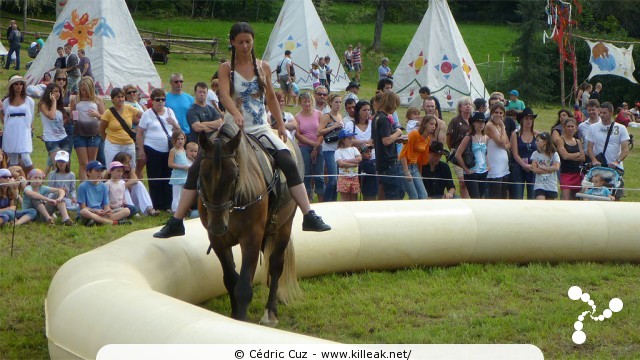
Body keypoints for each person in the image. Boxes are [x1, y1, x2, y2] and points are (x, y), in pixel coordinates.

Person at [154, 22, 330, 238]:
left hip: (260, 127)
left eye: (248, 41)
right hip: (231, 128)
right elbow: (225, 95)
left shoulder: (264, 66)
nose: (245, 46)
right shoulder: (226, 68)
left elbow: (272, 97)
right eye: (240, 42)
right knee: (197, 166)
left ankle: (308, 214)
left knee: (288, 161)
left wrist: (281, 124)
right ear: (232, 43)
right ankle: (177, 220)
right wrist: (234, 113)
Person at [136, 88, 180, 211]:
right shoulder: (147, 114)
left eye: (163, 100)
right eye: (158, 100)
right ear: (152, 101)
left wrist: (174, 124)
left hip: (169, 149)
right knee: (155, 176)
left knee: (168, 176)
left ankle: (168, 204)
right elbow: (139, 133)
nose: (160, 102)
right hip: (152, 148)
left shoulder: (170, 112)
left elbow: (178, 131)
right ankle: (156, 204)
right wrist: (141, 151)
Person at [586, 102, 630, 199]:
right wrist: (593, 160)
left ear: (611, 113)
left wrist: (616, 161)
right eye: (600, 112)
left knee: (615, 196)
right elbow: (589, 147)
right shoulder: (593, 128)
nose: (602, 115)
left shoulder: (621, 128)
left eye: (604, 113)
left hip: (615, 169)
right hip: (598, 167)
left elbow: (625, 149)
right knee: (594, 195)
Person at [372, 91, 405, 200]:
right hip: (389, 162)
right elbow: (386, 141)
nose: (395, 109)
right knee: (395, 194)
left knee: (383, 193)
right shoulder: (384, 119)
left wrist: (396, 139)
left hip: (381, 161)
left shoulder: (376, 117)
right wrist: (398, 133)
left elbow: (378, 139)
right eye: (395, 105)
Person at [77, 160, 131, 226]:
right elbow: (83, 207)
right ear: (88, 172)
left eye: (101, 171)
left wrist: (108, 211)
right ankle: (113, 222)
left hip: (100, 213)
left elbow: (106, 205)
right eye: (97, 171)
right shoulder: (82, 186)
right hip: (89, 212)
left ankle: (98, 221)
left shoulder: (103, 186)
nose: (100, 173)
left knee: (126, 211)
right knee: (84, 212)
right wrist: (95, 211)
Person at [71, 77, 105, 180]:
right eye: (82, 90)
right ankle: (83, 187)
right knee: (83, 163)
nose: (84, 93)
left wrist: (96, 114)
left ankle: (93, 185)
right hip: (79, 134)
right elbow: (73, 116)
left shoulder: (97, 99)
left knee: (92, 162)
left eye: (86, 90)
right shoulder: (75, 99)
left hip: (94, 134)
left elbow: (105, 117)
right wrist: (75, 116)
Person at [1, 75, 36, 174]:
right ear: (12, 86)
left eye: (21, 84)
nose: (19, 86)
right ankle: (14, 182)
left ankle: (35, 177)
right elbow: (5, 117)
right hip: (11, 130)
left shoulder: (29, 101)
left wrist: (30, 128)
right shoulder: (7, 101)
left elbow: (31, 116)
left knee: (25, 157)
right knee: (13, 159)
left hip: (23, 129)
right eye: (16, 84)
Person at [100, 88, 143, 166]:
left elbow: (144, 116)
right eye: (118, 97)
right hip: (113, 145)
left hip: (128, 143)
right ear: (112, 99)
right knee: (112, 168)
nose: (120, 99)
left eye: (122, 97)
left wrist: (139, 129)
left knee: (130, 168)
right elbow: (101, 129)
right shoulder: (108, 113)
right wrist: (108, 140)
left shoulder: (129, 108)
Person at [295, 92, 325, 201]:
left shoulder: (319, 114)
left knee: (319, 174)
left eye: (309, 101)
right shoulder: (297, 117)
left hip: (318, 146)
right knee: (306, 174)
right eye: (305, 102)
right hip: (304, 147)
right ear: (300, 103)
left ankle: (321, 198)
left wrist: (316, 146)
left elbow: (322, 131)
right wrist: (312, 144)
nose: (307, 104)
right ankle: (307, 200)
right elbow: (297, 134)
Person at [112, 151, 158, 216]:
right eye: (127, 162)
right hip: (117, 202)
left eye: (129, 162)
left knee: (138, 183)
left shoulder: (130, 170)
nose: (129, 164)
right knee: (122, 185)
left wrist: (122, 185)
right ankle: (134, 212)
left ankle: (149, 209)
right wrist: (122, 186)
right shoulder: (112, 172)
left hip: (129, 198)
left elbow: (135, 180)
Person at [317, 93, 344, 202]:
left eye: (340, 102)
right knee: (332, 179)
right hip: (329, 149)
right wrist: (332, 127)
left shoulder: (340, 116)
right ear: (330, 103)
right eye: (336, 102)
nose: (338, 104)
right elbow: (318, 131)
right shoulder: (327, 116)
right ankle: (327, 201)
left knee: (336, 180)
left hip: (338, 149)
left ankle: (333, 201)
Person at [399, 114, 432, 200]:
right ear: (425, 124)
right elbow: (403, 154)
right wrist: (406, 172)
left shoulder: (427, 138)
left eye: (435, 125)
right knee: (414, 196)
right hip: (404, 166)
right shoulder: (414, 134)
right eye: (431, 124)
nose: (434, 127)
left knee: (423, 195)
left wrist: (419, 173)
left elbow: (421, 159)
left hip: (414, 167)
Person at [456, 112, 489, 199]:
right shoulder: (468, 137)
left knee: (481, 197)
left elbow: (486, 153)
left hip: (483, 172)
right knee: (475, 197)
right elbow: (458, 154)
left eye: (483, 122)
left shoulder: (485, 137)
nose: (481, 124)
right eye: (478, 122)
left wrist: (488, 165)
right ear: (474, 123)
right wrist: (466, 169)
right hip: (472, 172)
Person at [39, 83, 71, 172]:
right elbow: (51, 116)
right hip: (51, 140)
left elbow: (64, 120)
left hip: (63, 138)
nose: (58, 94)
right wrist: (54, 102)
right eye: (56, 91)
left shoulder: (59, 106)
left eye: (59, 92)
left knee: (65, 167)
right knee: (57, 166)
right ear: (50, 93)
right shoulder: (43, 104)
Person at [446, 97, 473, 198]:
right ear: (460, 107)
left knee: (470, 180)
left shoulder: (474, 120)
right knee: (462, 181)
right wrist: (452, 150)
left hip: (471, 154)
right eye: (465, 104)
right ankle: (464, 201)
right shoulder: (455, 121)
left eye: (469, 104)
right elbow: (449, 138)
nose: (468, 106)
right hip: (458, 154)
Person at [510, 108, 539, 200]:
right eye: (526, 118)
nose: (529, 121)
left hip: (533, 167)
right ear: (522, 120)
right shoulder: (516, 134)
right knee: (517, 196)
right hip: (518, 167)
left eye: (531, 119)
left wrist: (533, 165)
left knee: (533, 196)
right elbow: (515, 153)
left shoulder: (537, 135)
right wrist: (524, 165)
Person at [485, 102, 511, 199]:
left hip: (504, 167)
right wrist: (503, 127)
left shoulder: (500, 127)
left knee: (503, 196)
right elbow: (501, 142)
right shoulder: (489, 125)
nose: (498, 115)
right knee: (495, 197)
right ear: (491, 113)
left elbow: (508, 144)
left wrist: (504, 144)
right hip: (494, 168)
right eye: (496, 112)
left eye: (501, 113)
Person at [557, 118, 585, 200]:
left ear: (575, 128)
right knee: (565, 199)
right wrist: (577, 154)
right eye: (568, 126)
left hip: (577, 174)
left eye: (572, 126)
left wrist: (570, 156)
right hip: (566, 174)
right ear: (564, 127)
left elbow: (583, 158)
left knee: (576, 200)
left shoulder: (577, 141)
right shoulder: (560, 140)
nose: (570, 128)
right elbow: (564, 156)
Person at [531, 132, 560, 200]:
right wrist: (549, 170)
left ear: (545, 142)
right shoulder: (535, 154)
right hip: (540, 185)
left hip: (551, 185)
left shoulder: (554, 154)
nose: (536, 142)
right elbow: (535, 169)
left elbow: (556, 167)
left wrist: (543, 167)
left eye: (538, 140)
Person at [334, 129, 361, 201]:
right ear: (343, 140)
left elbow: (359, 159)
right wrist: (353, 164)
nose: (351, 140)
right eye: (349, 138)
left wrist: (347, 161)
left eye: (352, 138)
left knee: (354, 198)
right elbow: (341, 164)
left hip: (354, 176)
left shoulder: (354, 149)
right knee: (344, 199)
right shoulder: (338, 152)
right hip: (344, 177)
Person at [165, 73, 195, 137]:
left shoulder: (190, 98)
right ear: (171, 83)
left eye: (181, 81)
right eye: (176, 82)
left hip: (187, 133)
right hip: (171, 133)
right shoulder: (164, 98)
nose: (179, 83)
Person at [168, 130, 191, 213]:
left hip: (185, 176)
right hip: (177, 176)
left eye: (182, 139)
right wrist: (182, 167)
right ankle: (175, 210)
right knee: (176, 195)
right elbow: (170, 164)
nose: (180, 141)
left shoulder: (184, 150)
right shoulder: (173, 151)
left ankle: (182, 210)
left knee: (183, 195)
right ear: (174, 140)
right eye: (178, 139)